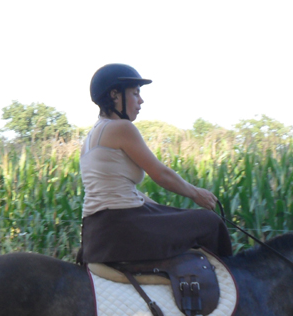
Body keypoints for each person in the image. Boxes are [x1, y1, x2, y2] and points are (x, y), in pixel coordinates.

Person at [77, 63, 233, 264]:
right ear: (114, 95)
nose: (141, 101)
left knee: (180, 216)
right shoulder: (121, 128)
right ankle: (232, 285)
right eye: (135, 93)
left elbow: (120, 191)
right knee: (210, 222)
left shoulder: (92, 136)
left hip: (97, 230)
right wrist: (196, 193)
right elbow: (160, 173)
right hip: (121, 226)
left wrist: (165, 212)